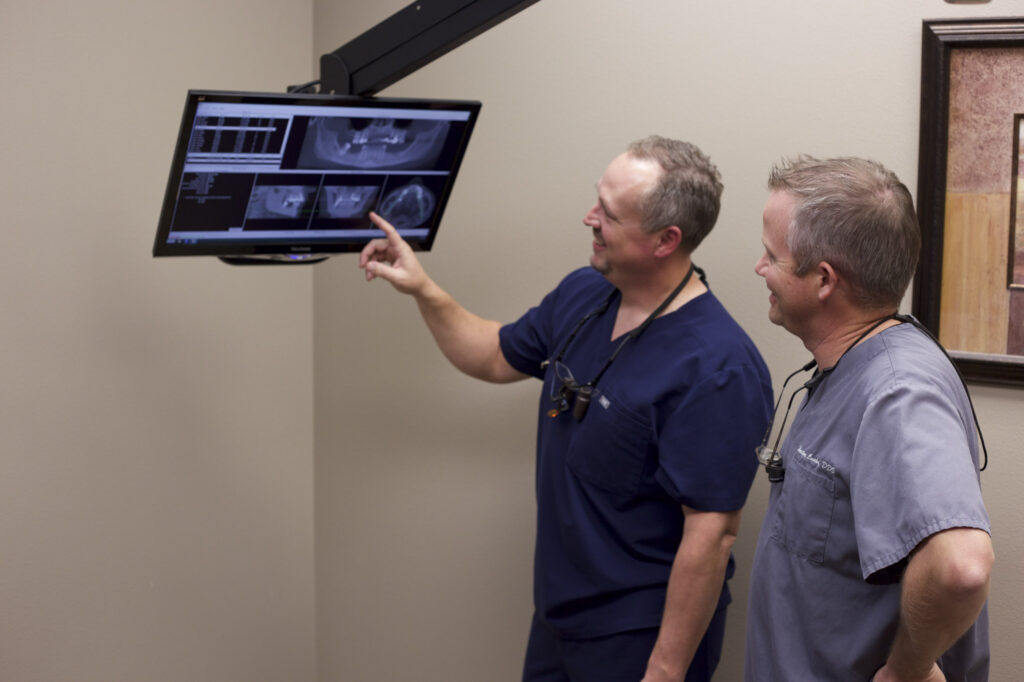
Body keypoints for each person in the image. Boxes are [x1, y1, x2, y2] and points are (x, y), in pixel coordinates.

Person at [360, 135, 772, 682]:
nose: (589, 218)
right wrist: (422, 288)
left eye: (608, 212)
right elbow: (491, 354)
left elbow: (712, 534)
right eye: (596, 200)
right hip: (559, 618)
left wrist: (666, 672)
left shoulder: (720, 367)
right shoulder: (585, 293)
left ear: (665, 240)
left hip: (638, 637)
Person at [746, 156, 993, 682]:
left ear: (823, 280)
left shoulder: (897, 392)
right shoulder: (851, 367)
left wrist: (905, 672)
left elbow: (961, 568)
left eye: (772, 255)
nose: (759, 268)